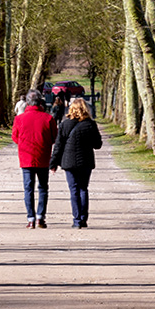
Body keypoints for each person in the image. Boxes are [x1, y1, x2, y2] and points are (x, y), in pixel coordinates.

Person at [49, 96, 102, 228]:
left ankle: (76, 220)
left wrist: (53, 163)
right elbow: (98, 145)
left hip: (69, 161)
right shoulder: (91, 124)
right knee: (83, 188)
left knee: (74, 190)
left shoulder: (64, 125)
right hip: (86, 161)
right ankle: (83, 219)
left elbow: (58, 146)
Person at [10, 88, 57, 228]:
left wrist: (24, 143)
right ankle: (40, 217)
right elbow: (54, 137)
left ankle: (30, 218)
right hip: (43, 157)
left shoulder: (19, 119)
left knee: (28, 188)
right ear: (40, 102)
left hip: (26, 158)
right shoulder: (48, 118)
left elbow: (15, 137)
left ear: (27, 102)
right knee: (43, 188)